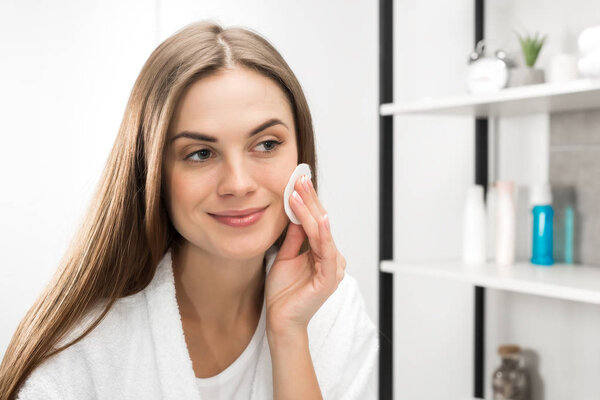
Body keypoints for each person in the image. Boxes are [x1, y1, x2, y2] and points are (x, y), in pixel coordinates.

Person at [0, 20, 379, 399]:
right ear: (152, 173)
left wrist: (289, 335)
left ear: (301, 153)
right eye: (200, 154)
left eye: (266, 144)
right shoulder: (83, 350)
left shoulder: (332, 311)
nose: (238, 183)